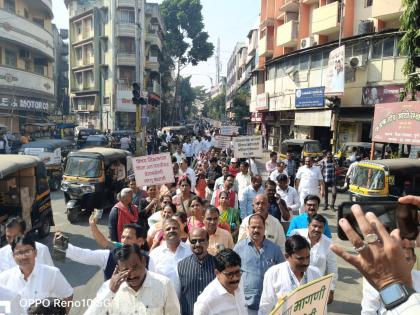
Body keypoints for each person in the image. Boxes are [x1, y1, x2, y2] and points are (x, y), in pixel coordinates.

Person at [331, 198, 420, 314]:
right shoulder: (372, 283)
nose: (400, 262)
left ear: (414, 260)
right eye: (396, 257)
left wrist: (389, 283)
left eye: (407, 259)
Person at [85, 244, 180, 315]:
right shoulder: (108, 288)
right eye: (125, 270)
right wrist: (110, 292)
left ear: (143, 261)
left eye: (135, 267)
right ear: (118, 270)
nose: (131, 274)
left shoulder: (164, 284)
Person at [0, 234, 73, 313]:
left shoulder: (52, 273)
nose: (24, 256)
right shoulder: (4, 279)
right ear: (13, 255)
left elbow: (68, 294)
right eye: (19, 253)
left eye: (28, 251)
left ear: (35, 252)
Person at [258, 235, 323, 314]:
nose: (305, 262)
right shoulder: (273, 274)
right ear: (287, 256)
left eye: (308, 257)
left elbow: (321, 305)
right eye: (300, 259)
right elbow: (265, 307)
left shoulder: (316, 274)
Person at [234, 214, 284, 315]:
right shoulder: (238, 248)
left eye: (259, 227)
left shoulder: (275, 249)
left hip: (269, 305)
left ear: (264, 228)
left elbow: (283, 274)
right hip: (246, 305)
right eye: (253, 227)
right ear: (248, 228)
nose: (256, 230)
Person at [61, 223, 146, 280]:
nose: (123, 241)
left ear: (139, 241)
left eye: (128, 238)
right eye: (123, 237)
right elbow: (83, 254)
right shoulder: (108, 256)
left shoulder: (149, 261)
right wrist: (63, 245)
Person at [289, 214, 337, 302]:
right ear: (308, 225)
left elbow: (332, 268)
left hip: (315, 286)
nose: (317, 229)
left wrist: (331, 289)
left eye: (320, 227)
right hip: (294, 283)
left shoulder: (329, 243)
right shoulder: (296, 234)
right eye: (314, 226)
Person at [361, 247, 420, 314]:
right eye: (397, 260)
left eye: (407, 259)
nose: (402, 265)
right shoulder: (376, 282)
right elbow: (368, 312)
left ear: (414, 259)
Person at [194, 249, 248, 315]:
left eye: (237, 272)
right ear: (217, 273)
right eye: (230, 274)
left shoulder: (239, 282)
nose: (235, 278)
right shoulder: (205, 302)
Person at [148, 218, 192, 297]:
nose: (171, 230)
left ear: (180, 231)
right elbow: (151, 280)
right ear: (163, 234)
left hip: (188, 302)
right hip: (164, 302)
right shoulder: (154, 255)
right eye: (168, 229)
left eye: (175, 228)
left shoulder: (191, 251)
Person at [178, 228, 216, 315]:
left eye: (201, 240)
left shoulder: (218, 264)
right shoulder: (181, 266)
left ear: (208, 242)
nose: (197, 244)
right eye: (193, 241)